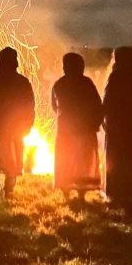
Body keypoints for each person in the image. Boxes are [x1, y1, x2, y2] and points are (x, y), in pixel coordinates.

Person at [0, 47, 35, 200]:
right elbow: (29, 105)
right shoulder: (22, 82)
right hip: (15, 128)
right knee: (12, 159)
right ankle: (9, 190)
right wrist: (28, 123)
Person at [52, 52, 103, 198]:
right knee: (82, 160)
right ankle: (81, 191)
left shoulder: (59, 84)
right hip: (84, 128)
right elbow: (97, 104)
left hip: (66, 128)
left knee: (66, 158)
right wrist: (96, 121)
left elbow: (54, 106)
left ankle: (66, 189)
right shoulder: (86, 83)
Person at [102, 47, 132, 209]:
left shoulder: (116, 75)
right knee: (129, 158)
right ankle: (130, 193)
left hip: (116, 124)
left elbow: (108, 99)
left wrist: (103, 117)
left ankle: (114, 193)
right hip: (130, 125)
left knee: (114, 158)